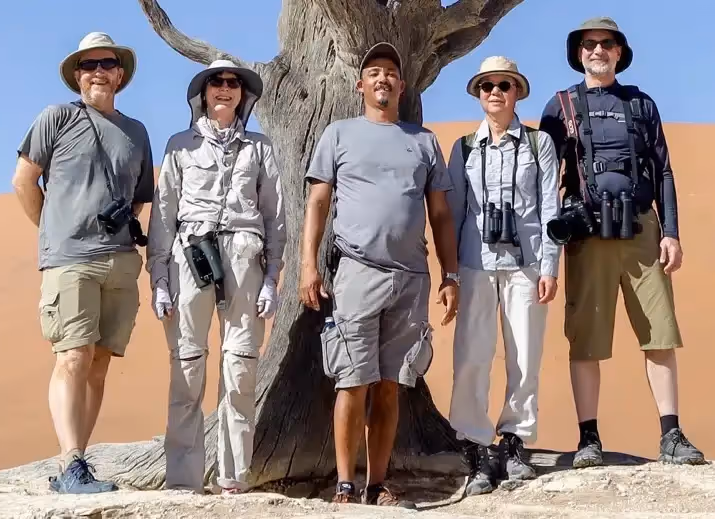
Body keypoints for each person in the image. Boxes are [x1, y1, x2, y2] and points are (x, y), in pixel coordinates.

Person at [535, 17, 707, 467]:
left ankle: (672, 435)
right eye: (589, 44)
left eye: (605, 44)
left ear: (618, 52)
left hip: (640, 231)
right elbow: (544, 179)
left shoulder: (641, 104)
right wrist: (549, 247)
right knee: (586, 338)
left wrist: (671, 232)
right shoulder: (560, 108)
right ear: (578, 54)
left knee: (659, 333)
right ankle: (588, 439)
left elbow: (664, 169)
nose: (597, 51)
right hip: (587, 235)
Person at [298, 41, 460, 507]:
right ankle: (345, 483)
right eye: (374, 73)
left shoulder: (424, 140)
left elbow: (442, 215)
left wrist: (451, 275)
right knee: (352, 380)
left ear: (402, 86)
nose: (383, 79)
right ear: (361, 84)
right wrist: (309, 264)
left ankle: (378, 482)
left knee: (392, 384)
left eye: (391, 72)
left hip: (410, 277)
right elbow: (318, 202)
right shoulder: (339, 134)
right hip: (356, 272)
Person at [10, 31, 155, 494]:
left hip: (119, 261)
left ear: (120, 74)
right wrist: (51, 231)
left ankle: (79, 464)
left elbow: (138, 199)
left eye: (106, 63)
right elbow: (24, 181)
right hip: (70, 259)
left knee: (98, 362)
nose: (98, 72)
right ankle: (70, 462)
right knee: (71, 355)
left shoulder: (136, 132)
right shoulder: (56, 117)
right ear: (77, 75)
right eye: (88, 65)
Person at [146, 59, 284, 495]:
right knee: (187, 366)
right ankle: (183, 480)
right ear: (203, 93)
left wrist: (271, 280)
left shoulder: (259, 147)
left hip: (246, 259)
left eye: (233, 83)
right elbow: (162, 217)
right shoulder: (179, 146)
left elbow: (276, 218)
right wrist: (160, 281)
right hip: (191, 258)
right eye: (216, 83)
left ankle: (234, 476)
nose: (225, 89)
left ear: (244, 94)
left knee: (240, 367)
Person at [442, 56, 561, 495]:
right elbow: (453, 214)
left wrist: (550, 265)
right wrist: (449, 273)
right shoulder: (464, 148)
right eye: (487, 85)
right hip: (475, 264)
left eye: (504, 85)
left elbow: (550, 208)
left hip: (527, 264)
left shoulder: (538, 144)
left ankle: (513, 443)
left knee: (525, 355)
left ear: (517, 93)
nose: (495, 92)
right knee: (472, 355)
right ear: (478, 94)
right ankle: (474, 447)